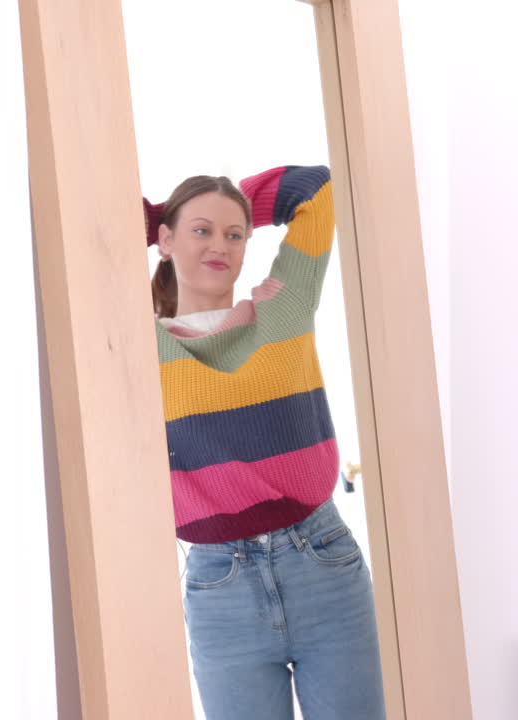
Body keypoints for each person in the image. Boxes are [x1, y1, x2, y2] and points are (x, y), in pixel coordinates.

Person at [144, 165, 385, 720]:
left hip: (322, 564)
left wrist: (228, 202)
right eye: (201, 231)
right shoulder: (139, 342)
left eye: (235, 235)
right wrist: (164, 215)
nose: (220, 245)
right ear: (165, 240)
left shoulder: (284, 309)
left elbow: (319, 189)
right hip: (220, 588)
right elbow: (91, 234)